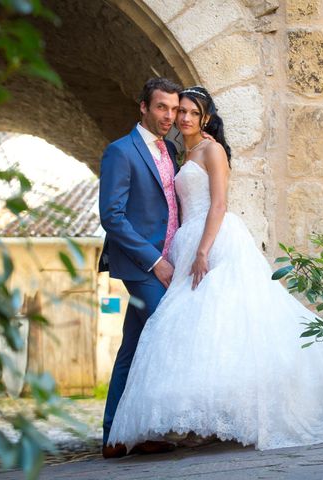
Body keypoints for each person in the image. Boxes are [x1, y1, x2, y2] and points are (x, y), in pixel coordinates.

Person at [107, 86, 323, 452]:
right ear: (149, 109)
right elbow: (131, 211)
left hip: (210, 243)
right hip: (177, 249)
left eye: (189, 112)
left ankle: (183, 423)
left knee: (209, 329)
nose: (180, 117)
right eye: (175, 110)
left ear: (206, 119)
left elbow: (218, 205)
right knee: (189, 332)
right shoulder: (171, 151)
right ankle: (138, 431)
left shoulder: (211, 150)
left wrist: (202, 251)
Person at [98, 77, 183, 458]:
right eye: (161, 107)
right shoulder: (121, 151)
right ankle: (143, 427)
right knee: (165, 334)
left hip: (171, 261)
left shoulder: (171, 152)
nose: (169, 116)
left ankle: (117, 435)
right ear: (143, 108)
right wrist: (155, 262)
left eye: (173, 108)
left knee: (133, 346)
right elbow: (112, 217)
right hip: (141, 265)